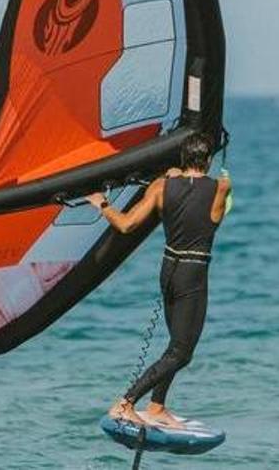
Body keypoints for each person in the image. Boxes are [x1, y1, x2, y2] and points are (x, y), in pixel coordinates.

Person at [87, 132, 231, 429]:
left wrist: (102, 204)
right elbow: (217, 198)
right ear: (207, 160)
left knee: (175, 348)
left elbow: (126, 225)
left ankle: (157, 406)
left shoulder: (161, 187)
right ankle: (125, 403)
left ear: (181, 159)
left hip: (168, 269)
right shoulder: (221, 187)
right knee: (182, 352)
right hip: (193, 272)